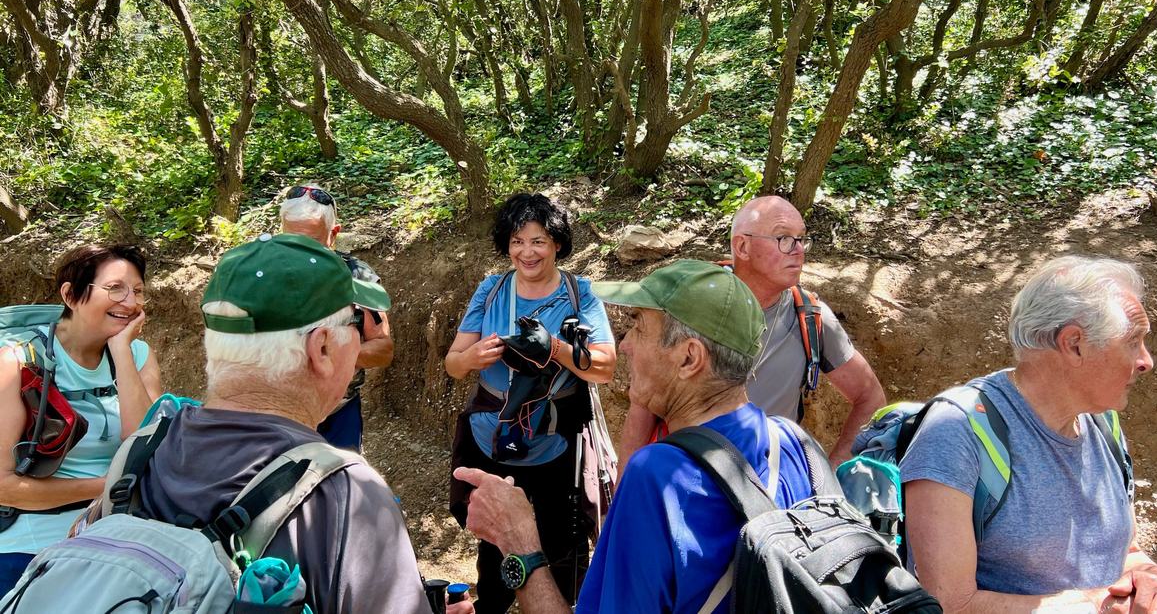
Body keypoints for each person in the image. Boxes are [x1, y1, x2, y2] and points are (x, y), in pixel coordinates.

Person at [454, 260, 818, 614]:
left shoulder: (660, 478)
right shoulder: (795, 445)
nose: (625, 344)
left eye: (640, 327)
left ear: (689, 358)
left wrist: (518, 542)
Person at [130, 232, 466, 613]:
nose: (362, 338)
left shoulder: (141, 450)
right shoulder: (346, 493)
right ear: (321, 347)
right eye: (356, 322)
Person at [903, 256, 1157, 613]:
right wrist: (1098, 607)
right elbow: (949, 604)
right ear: (1074, 344)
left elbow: (1125, 553)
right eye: (1133, 341)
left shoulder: (1102, 424)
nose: (1146, 361)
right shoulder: (957, 433)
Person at [444, 193, 616, 613]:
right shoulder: (492, 289)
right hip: (493, 439)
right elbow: (453, 362)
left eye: (538, 241)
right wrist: (473, 358)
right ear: (507, 245)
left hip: (556, 440)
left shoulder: (580, 295)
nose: (527, 251)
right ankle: (495, 603)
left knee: (560, 539)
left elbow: (605, 366)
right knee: (495, 541)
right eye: (518, 241)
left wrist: (554, 347)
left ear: (557, 243)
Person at [620, 195, 885, 466]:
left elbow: (870, 396)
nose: (798, 250)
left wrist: (832, 473)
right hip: (684, 478)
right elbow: (642, 406)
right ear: (742, 246)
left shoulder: (810, 317)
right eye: (783, 238)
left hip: (769, 487)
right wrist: (625, 493)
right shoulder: (690, 304)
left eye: (801, 238)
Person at [0, 244, 161, 594]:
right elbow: (3, 486)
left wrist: (121, 353)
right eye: (115, 288)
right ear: (71, 295)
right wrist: (106, 487)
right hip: (32, 540)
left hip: (120, 536)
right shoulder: (18, 362)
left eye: (137, 291)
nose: (130, 302)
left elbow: (142, 441)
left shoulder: (137, 355)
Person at [279, 183, 393, 452]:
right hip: (278, 410)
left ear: (334, 234)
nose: (302, 253)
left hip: (340, 411)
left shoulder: (357, 277)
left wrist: (330, 353)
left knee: (342, 489)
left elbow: (383, 349)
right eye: (292, 242)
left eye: (313, 243)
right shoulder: (257, 276)